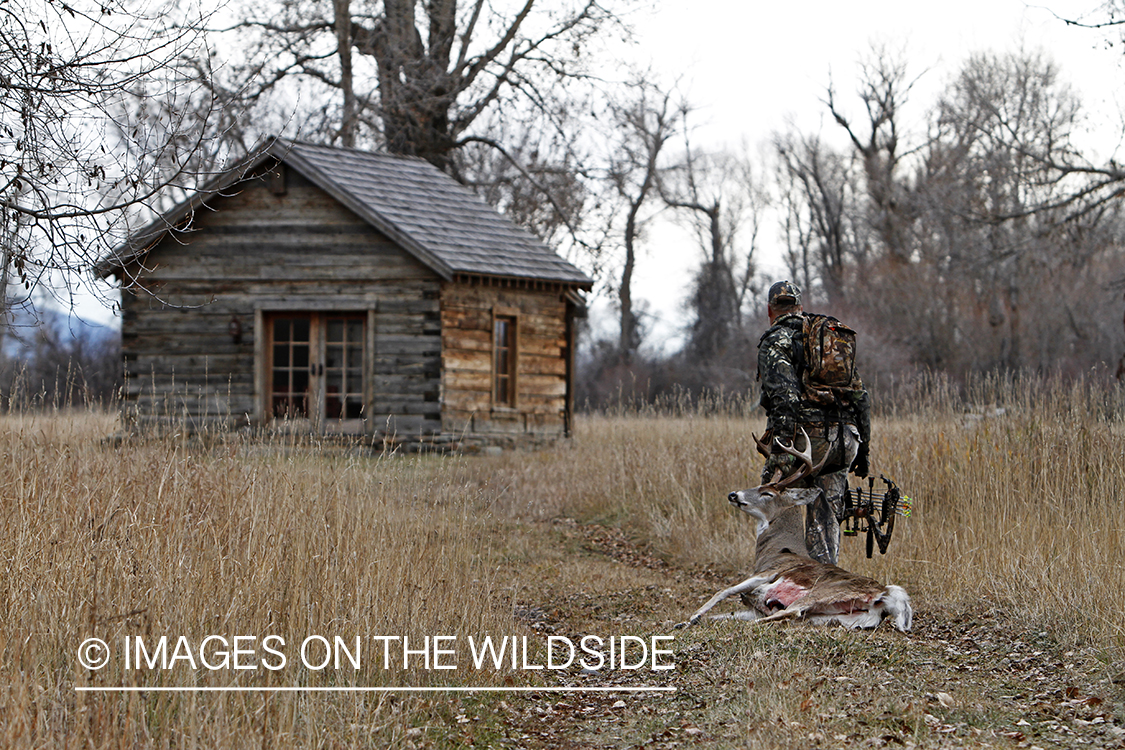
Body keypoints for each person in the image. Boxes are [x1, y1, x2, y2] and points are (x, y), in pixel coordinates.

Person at [756, 280, 871, 566]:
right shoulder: (826, 337)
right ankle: (825, 587)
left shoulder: (776, 340)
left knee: (778, 508)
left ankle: (782, 582)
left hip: (809, 444)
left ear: (770, 310)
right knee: (827, 522)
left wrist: (779, 457)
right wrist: (864, 449)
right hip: (846, 439)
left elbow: (785, 399)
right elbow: (860, 396)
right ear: (800, 306)